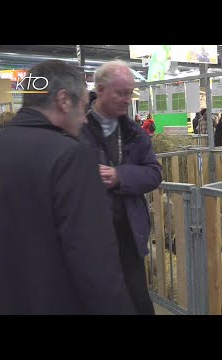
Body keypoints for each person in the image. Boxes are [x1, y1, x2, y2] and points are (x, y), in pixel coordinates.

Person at [0, 60, 137, 315]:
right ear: (63, 100)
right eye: (83, 107)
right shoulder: (71, 156)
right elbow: (93, 258)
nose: (84, 120)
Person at [80, 60, 163, 315]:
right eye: (121, 92)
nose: (127, 99)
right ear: (101, 90)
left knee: (138, 298)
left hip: (128, 230)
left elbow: (154, 173)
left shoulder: (136, 134)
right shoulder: (75, 127)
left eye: (130, 93)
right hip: (87, 232)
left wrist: (120, 176)